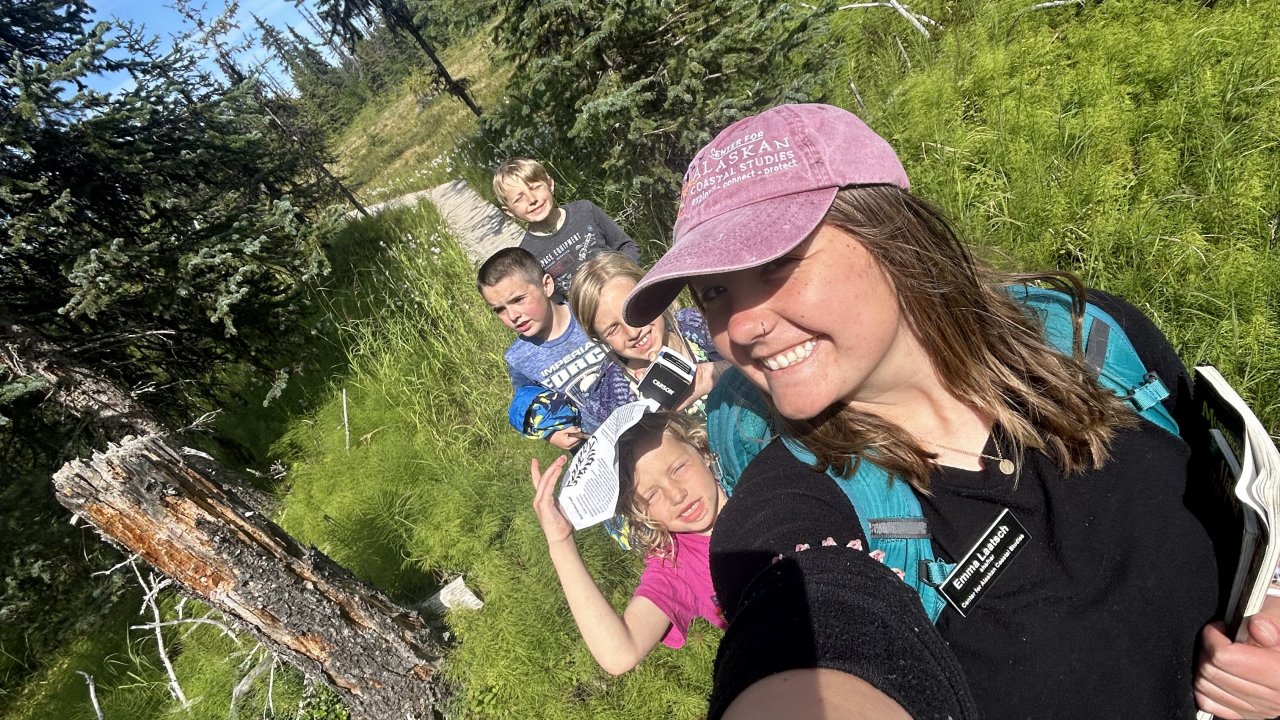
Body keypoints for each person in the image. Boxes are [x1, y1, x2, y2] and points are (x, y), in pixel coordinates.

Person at [621, 103, 1280, 719]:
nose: (743, 326)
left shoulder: (1092, 340)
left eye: (774, 265)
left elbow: (1241, 512)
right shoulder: (796, 498)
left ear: (891, 236)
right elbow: (805, 619)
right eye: (713, 293)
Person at [529, 407, 729, 675]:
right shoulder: (675, 565)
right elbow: (620, 653)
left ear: (702, 451)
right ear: (639, 512)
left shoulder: (756, 474)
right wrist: (560, 543)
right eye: (652, 495)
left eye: (678, 469)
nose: (677, 495)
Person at [568, 252, 724, 421]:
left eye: (633, 310)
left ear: (650, 294)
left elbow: (753, 365)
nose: (633, 332)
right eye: (613, 329)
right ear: (598, 337)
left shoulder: (697, 325)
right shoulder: (614, 396)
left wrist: (711, 374)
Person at [477, 247, 607, 449]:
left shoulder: (589, 311)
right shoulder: (519, 358)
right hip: (600, 448)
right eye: (500, 309)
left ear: (546, 285)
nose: (512, 316)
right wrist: (551, 433)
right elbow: (531, 403)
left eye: (518, 300)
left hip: (649, 418)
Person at [493, 158, 639, 301]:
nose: (532, 200)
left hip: (628, 294)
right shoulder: (528, 255)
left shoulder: (585, 211)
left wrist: (625, 281)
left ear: (550, 184)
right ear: (510, 212)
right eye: (519, 199)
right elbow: (555, 302)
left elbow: (626, 246)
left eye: (535, 187)